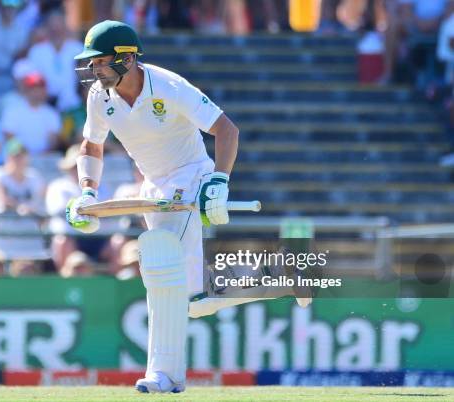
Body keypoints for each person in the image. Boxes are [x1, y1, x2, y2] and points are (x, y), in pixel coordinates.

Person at [66, 20, 310, 394]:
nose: (94, 70)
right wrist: (87, 191)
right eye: (92, 64)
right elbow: (91, 146)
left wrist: (219, 181)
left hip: (191, 178)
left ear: (127, 59)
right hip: (155, 187)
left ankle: (163, 376)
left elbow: (227, 129)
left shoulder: (168, 86)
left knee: (162, 271)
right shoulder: (100, 97)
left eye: (100, 62)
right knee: (194, 300)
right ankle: (277, 276)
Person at [0, 72, 62, 154]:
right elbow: (9, 137)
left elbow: (53, 141)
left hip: (44, 157)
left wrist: (43, 154)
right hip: (19, 157)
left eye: (40, 88)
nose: (37, 92)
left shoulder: (52, 113)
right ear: (26, 90)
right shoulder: (13, 110)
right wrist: (25, 154)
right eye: (33, 88)